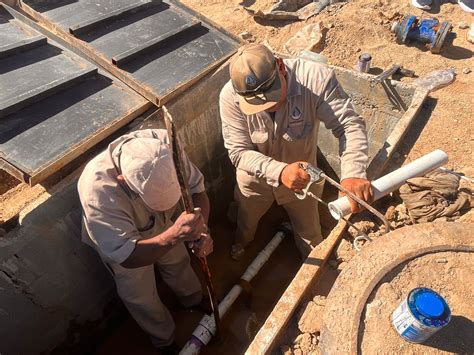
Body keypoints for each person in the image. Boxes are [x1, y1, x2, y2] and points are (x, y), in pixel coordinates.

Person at [219, 44, 373, 260]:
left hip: (304, 182)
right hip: (255, 180)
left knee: (310, 234)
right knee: (246, 221)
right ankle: (241, 245)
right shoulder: (230, 96)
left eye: (271, 98)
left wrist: (353, 173)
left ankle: (316, 275)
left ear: (281, 66)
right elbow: (238, 151)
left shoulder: (316, 80)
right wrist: (279, 171)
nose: (266, 108)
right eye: (257, 104)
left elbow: (348, 125)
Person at [77, 129, 212, 351]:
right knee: (140, 294)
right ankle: (164, 339)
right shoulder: (98, 190)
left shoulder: (166, 146)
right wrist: (175, 235)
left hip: (165, 224)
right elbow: (128, 257)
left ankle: (192, 299)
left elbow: (197, 190)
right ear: (123, 180)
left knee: (178, 260)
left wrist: (201, 229)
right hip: (123, 242)